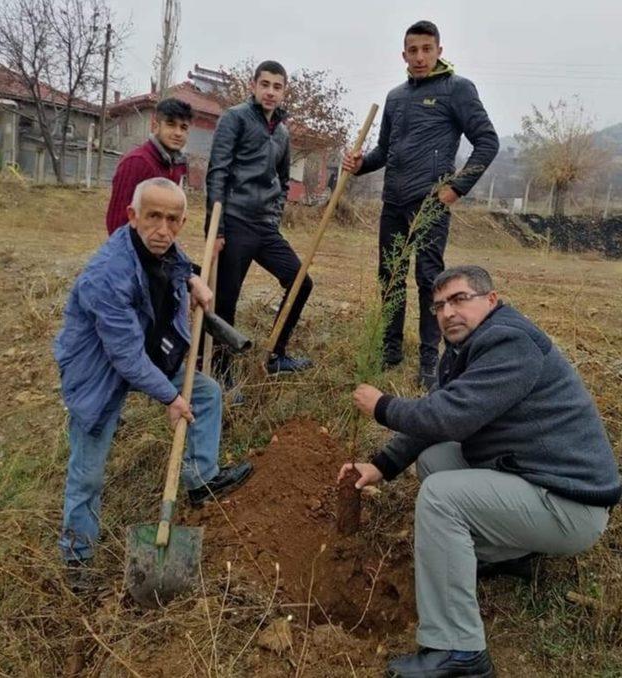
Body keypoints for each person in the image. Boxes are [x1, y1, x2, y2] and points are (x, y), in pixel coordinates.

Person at [339, 265, 620, 678]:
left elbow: (450, 416)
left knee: (442, 496)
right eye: (438, 305)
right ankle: (509, 553)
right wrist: (381, 465)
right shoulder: (472, 347)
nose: (447, 312)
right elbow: (439, 415)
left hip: (570, 506)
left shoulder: (509, 342)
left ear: (491, 300)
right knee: (436, 460)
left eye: (459, 299)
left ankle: (458, 651)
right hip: (537, 479)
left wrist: (384, 407)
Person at [55, 178, 252, 586]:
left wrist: (194, 279)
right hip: (98, 370)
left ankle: (200, 478)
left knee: (207, 392)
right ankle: (77, 557)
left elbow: (176, 263)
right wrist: (168, 398)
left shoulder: (165, 248)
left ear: (182, 222)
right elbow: (124, 356)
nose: (163, 229)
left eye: (173, 219)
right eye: (153, 217)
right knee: (88, 470)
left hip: (150, 352)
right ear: (132, 217)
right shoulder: (107, 275)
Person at [342, 20, 499, 387]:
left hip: (430, 203)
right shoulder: (396, 97)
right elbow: (385, 151)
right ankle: (390, 348)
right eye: (413, 51)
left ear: (439, 51)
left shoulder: (457, 89)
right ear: (403, 55)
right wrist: (361, 164)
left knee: (429, 280)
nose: (420, 57)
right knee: (390, 277)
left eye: (427, 49)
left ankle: (431, 358)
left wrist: (456, 188)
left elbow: (487, 141)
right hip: (393, 201)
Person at [205, 60, 313, 382]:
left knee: (300, 282)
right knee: (226, 300)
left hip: (264, 227)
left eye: (277, 86)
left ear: (284, 91)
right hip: (234, 222)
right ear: (253, 85)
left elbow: (282, 179)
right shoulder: (234, 118)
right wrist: (217, 227)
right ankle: (222, 375)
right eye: (264, 84)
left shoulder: (281, 132)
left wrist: (275, 214)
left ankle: (276, 355)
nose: (270, 92)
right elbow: (218, 172)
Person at [106, 98, 192, 235]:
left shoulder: (176, 165)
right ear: (155, 126)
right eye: (171, 124)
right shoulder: (137, 162)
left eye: (183, 127)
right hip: (133, 251)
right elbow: (117, 223)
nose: (178, 133)